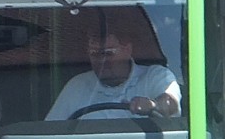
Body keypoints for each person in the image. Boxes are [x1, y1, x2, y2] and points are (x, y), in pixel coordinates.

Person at [45, 26, 181, 120]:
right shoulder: (77, 86)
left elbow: (170, 104)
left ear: (127, 50)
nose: (101, 61)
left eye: (108, 53)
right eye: (94, 54)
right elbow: (51, 133)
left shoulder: (155, 76)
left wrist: (154, 105)